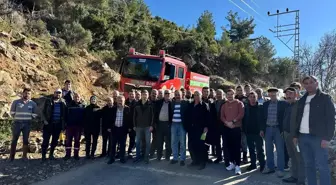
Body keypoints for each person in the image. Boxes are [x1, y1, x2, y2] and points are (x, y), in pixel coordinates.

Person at [293, 76, 335, 185]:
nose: (308, 85)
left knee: (322, 166)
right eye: (306, 83)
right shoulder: (302, 100)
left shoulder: (325, 98)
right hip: (303, 137)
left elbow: (331, 119)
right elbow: (298, 119)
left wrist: (327, 138)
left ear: (317, 83)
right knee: (308, 165)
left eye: (311, 82)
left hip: (319, 138)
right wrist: (295, 135)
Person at [260, 88, 287, 178]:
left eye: (274, 94)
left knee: (280, 150)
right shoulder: (265, 104)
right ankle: (270, 167)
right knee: (268, 149)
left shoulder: (283, 104)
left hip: (278, 129)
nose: (272, 96)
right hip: (268, 129)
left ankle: (280, 169)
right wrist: (262, 129)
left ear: (278, 94)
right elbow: (262, 118)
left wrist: (284, 129)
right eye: (270, 94)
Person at [282, 87, 305, 185]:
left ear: (296, 94)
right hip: (287, 135)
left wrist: (297, 135)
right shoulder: (288, 105)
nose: (288, 95)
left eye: (290, 93)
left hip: (296, 137)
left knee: (299, 158)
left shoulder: (300, 105)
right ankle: (294, 176)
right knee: (292, 157)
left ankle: (301, 180)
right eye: (287, 94)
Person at [9, 88, 38, 161]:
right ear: (23, 93)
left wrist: (28, 118)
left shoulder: (33, 104)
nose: (27, 95)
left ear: (30, 95)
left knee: (25, 140)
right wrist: (18, 118)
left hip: (27, 124)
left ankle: (24, 156)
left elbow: (34, 114)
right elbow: (12, 113)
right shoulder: (16, 102)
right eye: (25, 93)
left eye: (28, 93)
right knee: (14, 140)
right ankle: (11, 157)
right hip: (17, 123)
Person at [221, 89, 244, 175]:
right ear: (226, 95)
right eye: (228, 94)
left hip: (236, 128)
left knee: (236, 147)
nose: (230, 96)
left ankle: (238, 165)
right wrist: (227, 123)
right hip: (227, 128)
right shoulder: (224, 105)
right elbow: (222, 116)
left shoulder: (239, 103)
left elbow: (241, 114)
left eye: (231, 94)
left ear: (234, 95)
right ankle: (232, 163)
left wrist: (233, 122)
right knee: (229, 147)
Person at [184, 91, 210, 170]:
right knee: (192, 145)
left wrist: (206, 127)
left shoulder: (204, 105)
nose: (196, 96)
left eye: (198, 95)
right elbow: (186, 116)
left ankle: (202, 162)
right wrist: (187, 127)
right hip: (191, 129)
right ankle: (195, 160)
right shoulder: (190, 105)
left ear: (201, 96)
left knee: (201, 145)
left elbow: (208, 117)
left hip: (201, 130)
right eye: (195, 95)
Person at [41, 89, 67, 161]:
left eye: (59, 93)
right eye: (57, 93)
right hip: (48, 124)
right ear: (54, 93)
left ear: (61, 94)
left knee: (54, 141)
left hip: (58, 125)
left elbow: (65, 114)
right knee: (46, 140)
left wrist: (64, 125)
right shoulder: (48, 101)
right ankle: (43, 156)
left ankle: (51, 155)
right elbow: (42, 111)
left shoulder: (63, 102)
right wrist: (44, 120)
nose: (58, 94)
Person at [243, 91, 265, 172]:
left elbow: (263, 120)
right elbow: (243, 119)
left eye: (254, 97)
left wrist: (262, 129)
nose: (252, 99)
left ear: (257, 98)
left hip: (258, 132)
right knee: (251, 150)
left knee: (260, 150)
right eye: (251, 97)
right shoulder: (245, 107)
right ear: (248, 98)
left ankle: (262, 164)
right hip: (248, 132)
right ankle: (253, 164)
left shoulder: (260, 107)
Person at [107, 95, 133, 164]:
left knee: (122, 145)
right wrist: (109, 127)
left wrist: (130, 127)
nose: (120, 102)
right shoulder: (113, 109)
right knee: (113, 145)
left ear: (124, 101)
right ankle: (112, 158)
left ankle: (122, 158)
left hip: (123, 129)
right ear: (116, 101)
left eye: (121, 100)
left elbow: (130, 119)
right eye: (119, 100)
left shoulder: (127, 109)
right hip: (114, 129)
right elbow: (109, 119)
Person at [133, 90, 154, 164]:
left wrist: (151, 125)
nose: (144, 96)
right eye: (143, 94)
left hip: (148, 127)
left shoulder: (150, 104)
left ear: (148, 95)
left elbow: (152, 116)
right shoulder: (137, 104)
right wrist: (134, 125)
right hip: (138, 126)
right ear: (141, 95)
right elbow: (134, 116)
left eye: (146, 94)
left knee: (148, 142)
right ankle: (137, 157)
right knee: (138, 142)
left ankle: (146, 157)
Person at [64, 93, 85, 160]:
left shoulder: (82, 106)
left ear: (80, 97)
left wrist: (83, 128)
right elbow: (65, 116)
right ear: (73, 97)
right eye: (75, 97)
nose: (77, 98)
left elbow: (84, 117)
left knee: (77, 141)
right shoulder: (69, 105)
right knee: (68, 141)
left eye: (78, 97)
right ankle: (67, 155)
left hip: (78, 127)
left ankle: (76, 155)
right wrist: (65, 126)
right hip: (69, 126)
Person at [170, 90, 189, 166]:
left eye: (179, 94)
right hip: (173, 124)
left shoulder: (185, 103)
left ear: (182, 95)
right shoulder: (172, 103)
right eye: (176, 94)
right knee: (174, 142)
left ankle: (182, 159)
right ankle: (175, 158)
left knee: (182, 142)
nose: (177, 96)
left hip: (182, 125)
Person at [154, 89, 173, 161]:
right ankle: (159, 156)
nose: (167, 95)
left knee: (168, 142)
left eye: (168, 94)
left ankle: (167, 156)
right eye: (166, 93)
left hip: (168, 125)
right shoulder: (158, 102)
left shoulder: (172, 103)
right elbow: (155, 113)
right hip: (160, 124)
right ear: (164, 94)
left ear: (170, 95)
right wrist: (155, 123)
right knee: (159, 141)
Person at [212, 89, 226, 164]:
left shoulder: (226, 102)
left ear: (223, 94)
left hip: (224, 124)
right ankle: (219, 157)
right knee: (217, 142)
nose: (218, 95)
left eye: (220, 94)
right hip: (217, 125)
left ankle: (226, 157)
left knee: (225, 142)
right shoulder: (214, 103)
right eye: (217, 94)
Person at [60, 80, 74, 146]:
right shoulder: (61, 92)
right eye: (67, 84)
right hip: (62, 110)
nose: (68, 86)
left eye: (69, 84)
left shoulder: (72, 92)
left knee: (68, 126)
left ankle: (66, 139)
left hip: (70, 111)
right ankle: (61, 139)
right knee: (62, 125)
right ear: (64, 85)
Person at [125, 90, 136, 158]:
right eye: (130, 94)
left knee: (132, 139)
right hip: (125, 124)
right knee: (123, 139)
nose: (131, 95)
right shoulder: (125, 102)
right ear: (128, 95)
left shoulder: (137, 103)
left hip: (132, 125)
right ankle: (121, 151)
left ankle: (130, 151)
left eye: (133, 94)